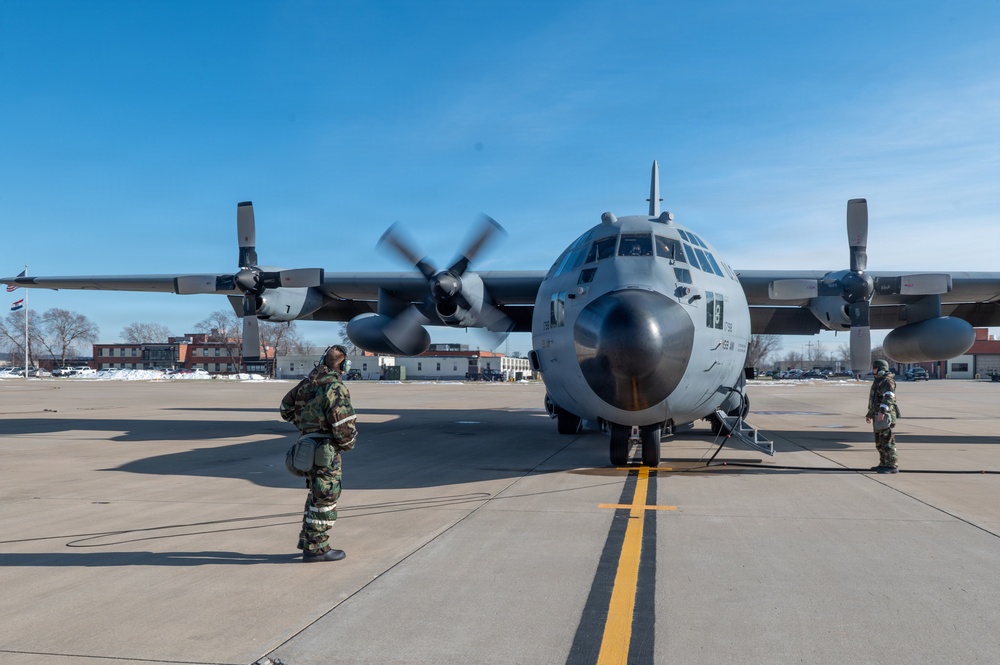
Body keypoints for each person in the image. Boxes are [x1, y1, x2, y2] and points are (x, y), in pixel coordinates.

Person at [280, 345, 358, 562]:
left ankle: (308, 540)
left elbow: (285, 408)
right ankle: (317, 549)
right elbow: (343, 424)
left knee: (315, 494)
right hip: (325, 451)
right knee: (326, 496)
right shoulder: (335, 387)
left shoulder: (307, 383)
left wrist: (306, 428)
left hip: (306, 448)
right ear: (342, 365)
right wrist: (344, 444)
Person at [865, 359, 899, 474]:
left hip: (884, 415)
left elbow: (889, 397)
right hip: (877, 414)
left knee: (887, 441)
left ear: (880, 369)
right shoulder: (878, 381)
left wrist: (882, 411)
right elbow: (874, 400)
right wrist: (870, 414)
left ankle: (891, 465)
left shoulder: (887, 381)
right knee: (879, 441)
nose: (872, 370)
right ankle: (884, 463)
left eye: (874, 368)